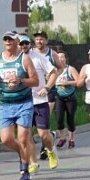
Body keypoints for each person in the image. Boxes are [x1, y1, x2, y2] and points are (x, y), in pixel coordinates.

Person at [0, 31, 39, 180]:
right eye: (5, 39)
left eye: (10, 39)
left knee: (23, 138)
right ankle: (23, 153)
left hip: (23, 103)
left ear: (17, 41)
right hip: (5, 104)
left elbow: (35, 81)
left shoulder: (25, 59)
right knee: (6, 139)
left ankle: (25, 169)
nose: (8, 41)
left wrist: (20, 80)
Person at [18, 34, 58, 173]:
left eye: (25, 43)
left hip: (39, 101)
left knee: (43, 135)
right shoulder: (14, 60)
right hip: (23, 102)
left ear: (30, 44)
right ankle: (33, 162)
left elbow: (53, 72)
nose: (23, 46)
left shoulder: (38, 57)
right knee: (26, 135)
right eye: (21, 43)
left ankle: (51, 151)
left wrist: (46, 87)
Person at [32, 30, 63, 160]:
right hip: (34, 91)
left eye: (42, 39)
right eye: (37, 39)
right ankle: (50, 136)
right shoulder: (30, 53)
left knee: (46, 118)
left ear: (46, 41)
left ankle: (45, 148)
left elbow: (60, 68)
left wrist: (51, 76)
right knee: (40, 125)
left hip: (48, 90)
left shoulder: (52, 53)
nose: (39, 41)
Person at [53, 51, 83, 149]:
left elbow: (79, 82)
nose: (60, 59)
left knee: (70, 120)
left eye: (62, 57)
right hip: (59, 98)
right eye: (58, 57)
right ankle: (62, 138)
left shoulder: (70, 69)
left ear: (65, 59)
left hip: (70, 98)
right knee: (59, 119)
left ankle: (71, 139)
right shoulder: (54, 70)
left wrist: (68, 82)